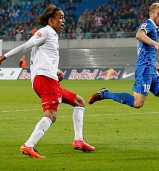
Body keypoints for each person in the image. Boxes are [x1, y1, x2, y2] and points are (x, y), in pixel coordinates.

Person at [0, 4, 95, 158]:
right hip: (44, 80)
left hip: (49, 79)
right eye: (60, 18)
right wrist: (4, 57)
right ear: (51, 20)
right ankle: (28, 145)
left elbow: (42, 58)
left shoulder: (52, 35)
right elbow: (25, 46)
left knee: (79, 101)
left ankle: (78, 140)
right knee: (51, 115)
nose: (63, 21)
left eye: (64, 18)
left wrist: (56, 71)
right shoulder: (45, 32)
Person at [88, 2, 159, 130]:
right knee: (137, 103)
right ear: (151, 14)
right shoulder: (148, 25)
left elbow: (143, 52)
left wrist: (157, 66)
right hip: (144, 69)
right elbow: (139, 34)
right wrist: (156, 44)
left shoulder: (153, 29)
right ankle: (105, 94)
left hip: (151, 69)